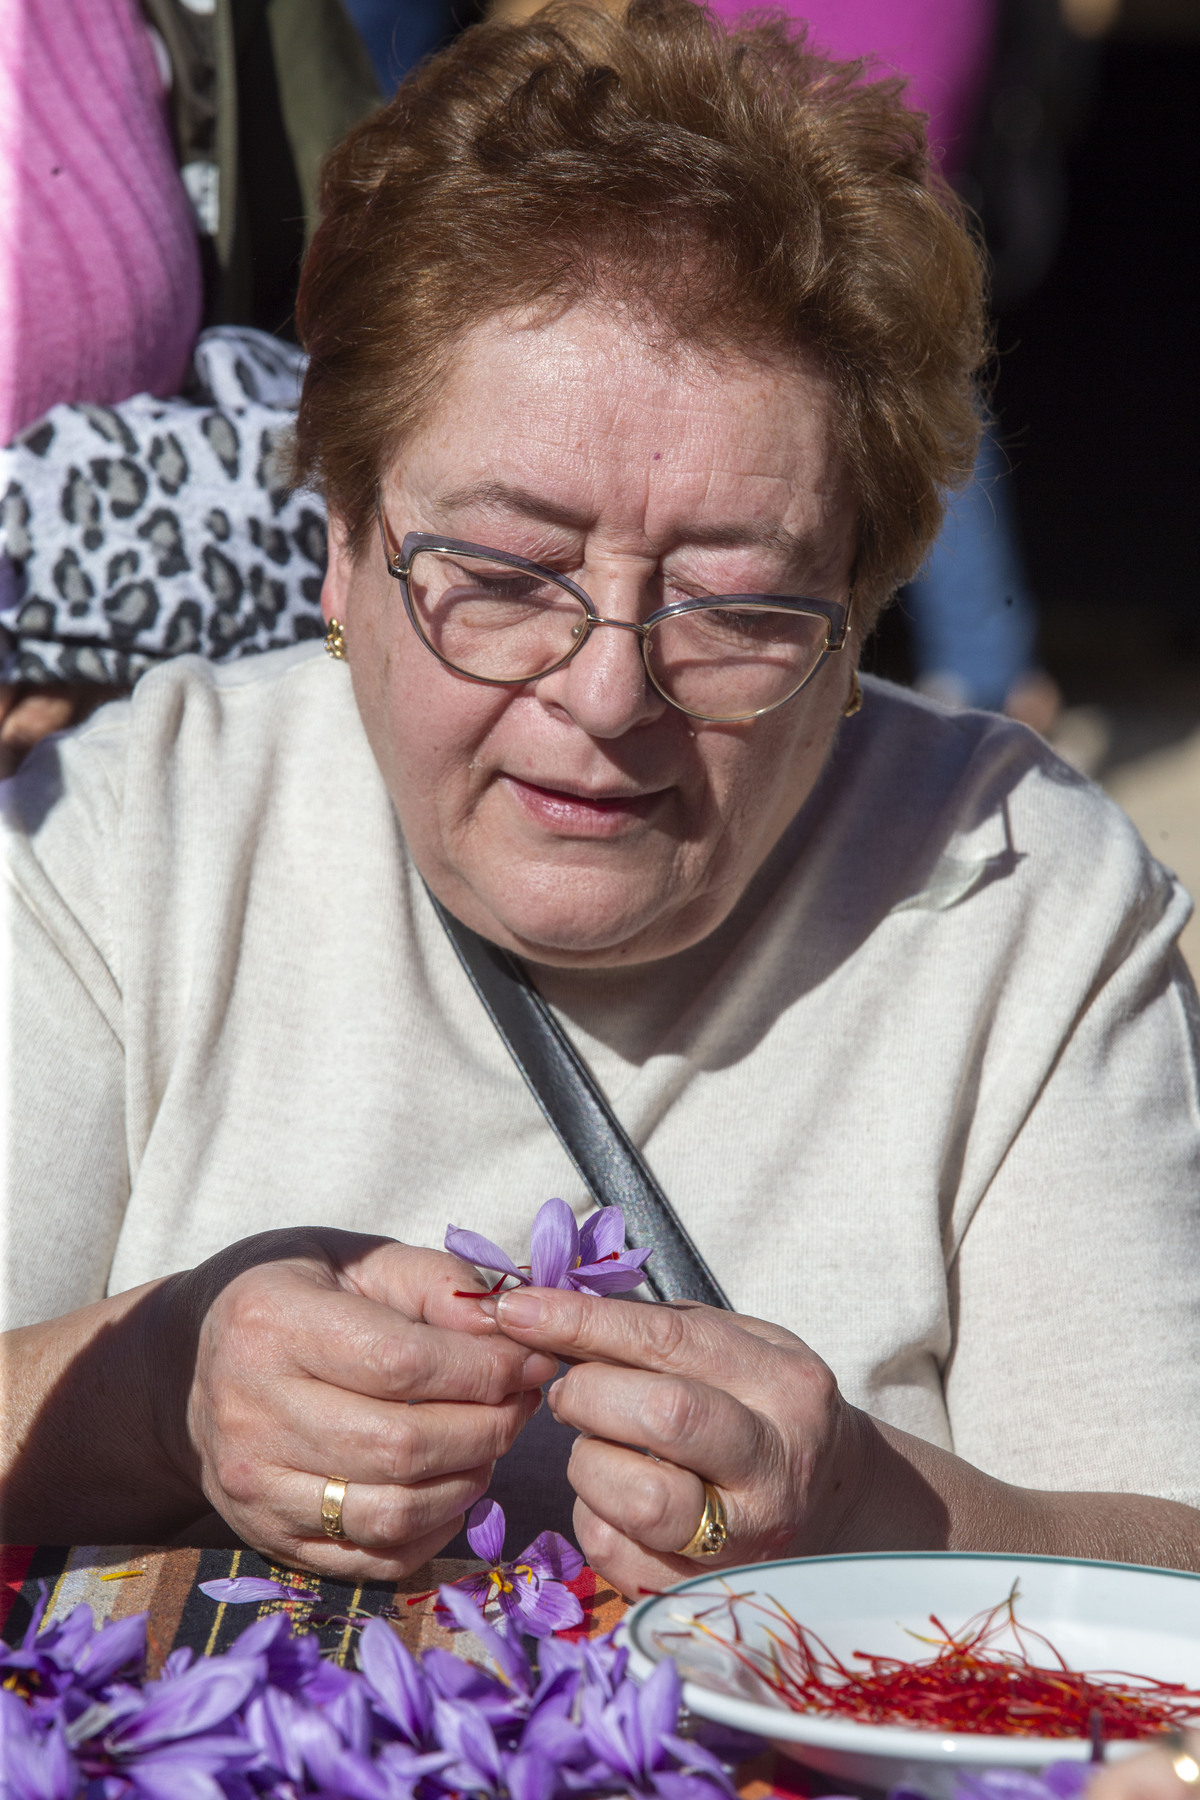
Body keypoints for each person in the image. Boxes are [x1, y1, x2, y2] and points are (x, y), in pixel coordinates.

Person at [2, 0, 1199, 1593]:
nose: (607, 696)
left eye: (736, 610)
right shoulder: (138, 830)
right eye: (502, 575)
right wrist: (155, 1394)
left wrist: (870, 1513)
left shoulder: (1020, 897)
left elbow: (1167, 1575)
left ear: (861, 617)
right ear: (344, 550)